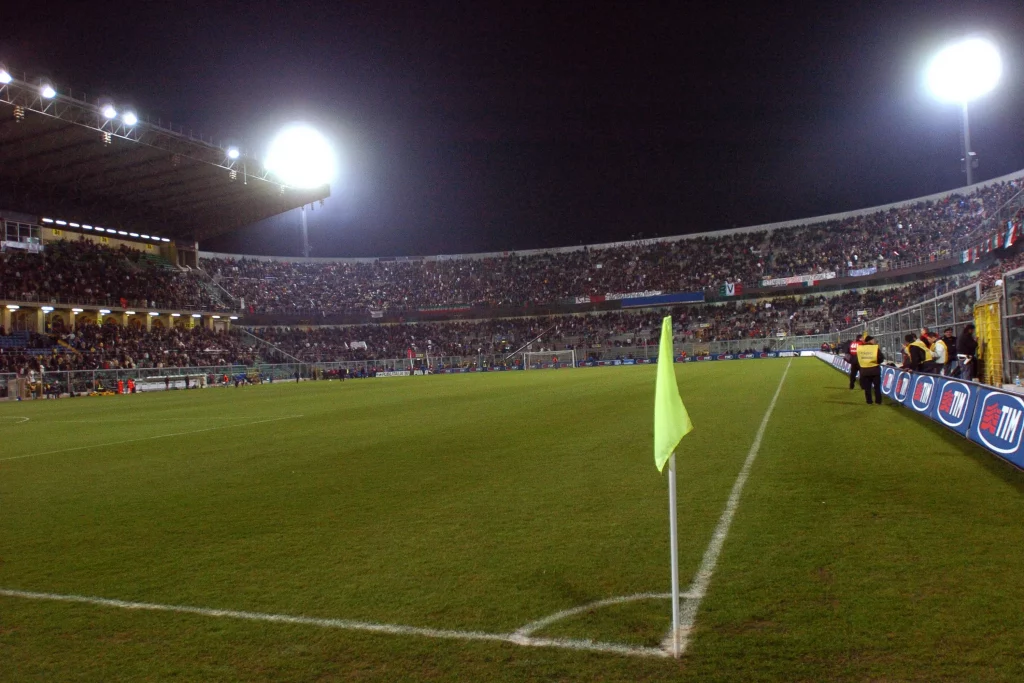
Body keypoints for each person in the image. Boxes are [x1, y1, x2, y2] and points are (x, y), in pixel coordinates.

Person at [856, 335, 884, 405]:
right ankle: (878, 401)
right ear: (869, 341)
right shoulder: (875, 348)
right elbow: (881, 358)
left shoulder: (860, 348)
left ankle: (869, 401)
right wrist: (876, 362)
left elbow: (858, 359)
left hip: (864, 370)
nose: (874, 341)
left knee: (867, 388)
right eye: (873, 340)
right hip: (875, 370)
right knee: (877, 387)